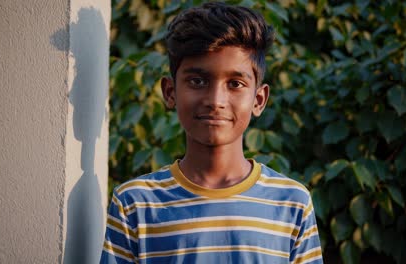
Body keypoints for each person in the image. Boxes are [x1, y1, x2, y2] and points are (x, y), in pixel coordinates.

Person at [100, 2, 323, 263]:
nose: (216, 100)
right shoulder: (135, 204)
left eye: (235, 84)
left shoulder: (291, 203)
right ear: (170, 92)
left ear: (259, 100)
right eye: (197, 81)